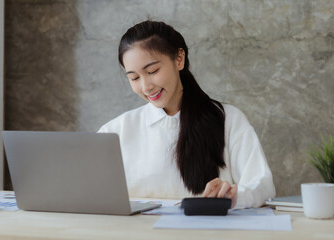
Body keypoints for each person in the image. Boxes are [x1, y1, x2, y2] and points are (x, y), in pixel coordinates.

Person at [98, 20, 275, 209]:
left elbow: (263, 186)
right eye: (134, 78)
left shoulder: (228, 120)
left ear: (179, 59)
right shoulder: (114, 132)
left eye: (152, 71)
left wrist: (234, 195)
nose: (145, 86)